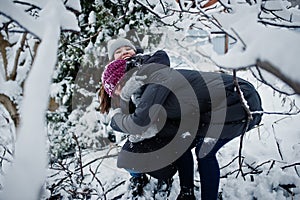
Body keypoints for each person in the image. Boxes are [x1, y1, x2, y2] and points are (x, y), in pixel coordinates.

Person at [99, 59, 263, 199]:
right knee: (183, 139)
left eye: (117, 89)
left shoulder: (153, 80)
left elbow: (141, 121)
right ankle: (187, 193)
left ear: (123, 79)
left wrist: (117, 120)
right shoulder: (145, 90)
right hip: (226, 104)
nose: (120, 95)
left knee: (204, 151)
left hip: (240, 98)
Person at [99, 37, 175, 197]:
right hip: (139, 124)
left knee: (162, 155)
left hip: (161, 117)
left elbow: (162, 58)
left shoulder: (145, 60)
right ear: (112, 59)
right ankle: (137, 178)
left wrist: (135, 68)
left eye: (127, 48)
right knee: (128, 156)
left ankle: (164, 178)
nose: (124, 52)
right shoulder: (114, 77)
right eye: (118, 52)